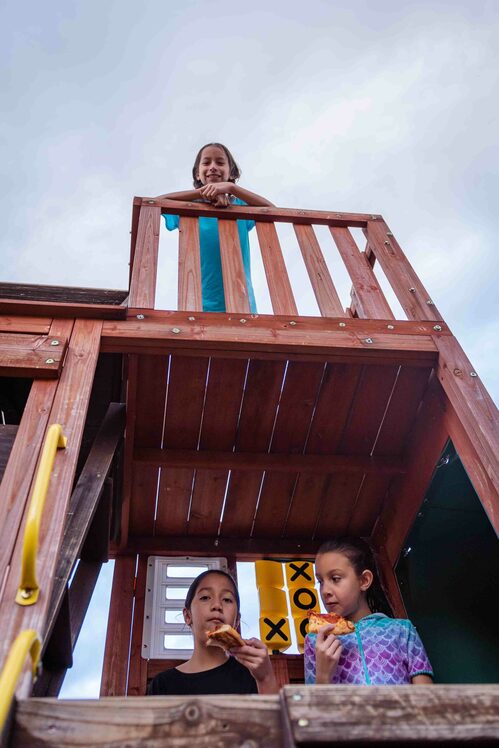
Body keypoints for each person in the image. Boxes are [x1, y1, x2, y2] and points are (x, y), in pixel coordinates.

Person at [155, 142, 274, 313]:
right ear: (197, 174)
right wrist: (201, 193)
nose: (212, 167)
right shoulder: (187, 208)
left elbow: (272, 210)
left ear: (231, 173)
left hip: (242, 306)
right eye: (206, 162)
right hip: (198, 306)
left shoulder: (240, 206)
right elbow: (155, 202)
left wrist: (232, 188)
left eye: (220, 162)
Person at [304, 537, 434, 685]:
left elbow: (426, 696)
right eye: (320, 581)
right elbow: (313, 700)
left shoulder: (402, 630)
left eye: (335, 578)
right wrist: (323, 676)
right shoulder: (316, 641)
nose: (325, 591)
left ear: (364, 580)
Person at [148, 569, 279, 695]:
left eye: (227, 599)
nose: (217, 605)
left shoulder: (253, 675)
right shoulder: (162, 684)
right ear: (188, 616)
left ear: (237, 620)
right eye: (205, 597)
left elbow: (276, 711)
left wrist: (266, 678)